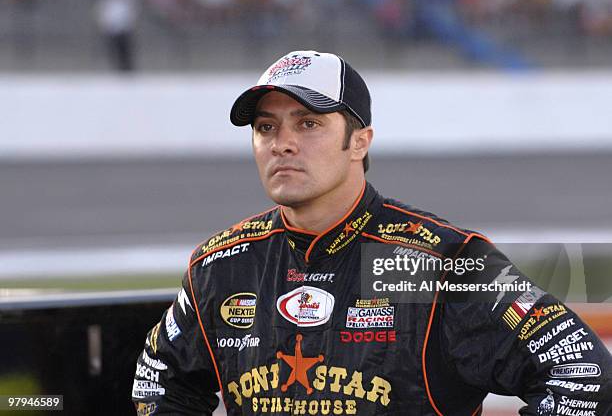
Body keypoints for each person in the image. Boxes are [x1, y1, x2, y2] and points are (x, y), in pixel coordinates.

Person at [132, 50, 611, 415]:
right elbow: (158, 381)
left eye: (309, 123)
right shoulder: (221, 264)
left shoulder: (439, 262)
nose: (282, 144)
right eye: (265, 127)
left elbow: (585, 376)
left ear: (360, 141)